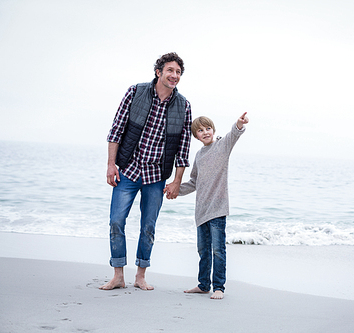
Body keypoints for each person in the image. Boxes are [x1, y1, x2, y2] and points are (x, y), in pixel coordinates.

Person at [99, 52, 192, 291]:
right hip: (129, 170)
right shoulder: (135, 92)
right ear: (158, 72)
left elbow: (183, 148)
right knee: (116, 221)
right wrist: (111, 165)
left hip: (156, 177)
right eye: (170, 70)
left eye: (178, 72)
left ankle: (140, 276)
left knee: (148, 226)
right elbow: (116, 130)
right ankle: (118, 274)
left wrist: (176, 181)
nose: (174, 76)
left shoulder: (184, 106)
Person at [164, 112, 249, 299]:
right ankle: (203, 285)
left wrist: (239, 124)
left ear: (213, 130)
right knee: (203, 251)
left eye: (208, 128)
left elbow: (233, 135)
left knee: (218, 250)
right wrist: (174, 189)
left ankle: (219, 287)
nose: (205, 132)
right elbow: (194, 182)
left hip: (218, 209)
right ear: (196, 136)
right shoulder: (199, 155)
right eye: (200, 131)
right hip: (201, 211)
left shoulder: (222, 146)